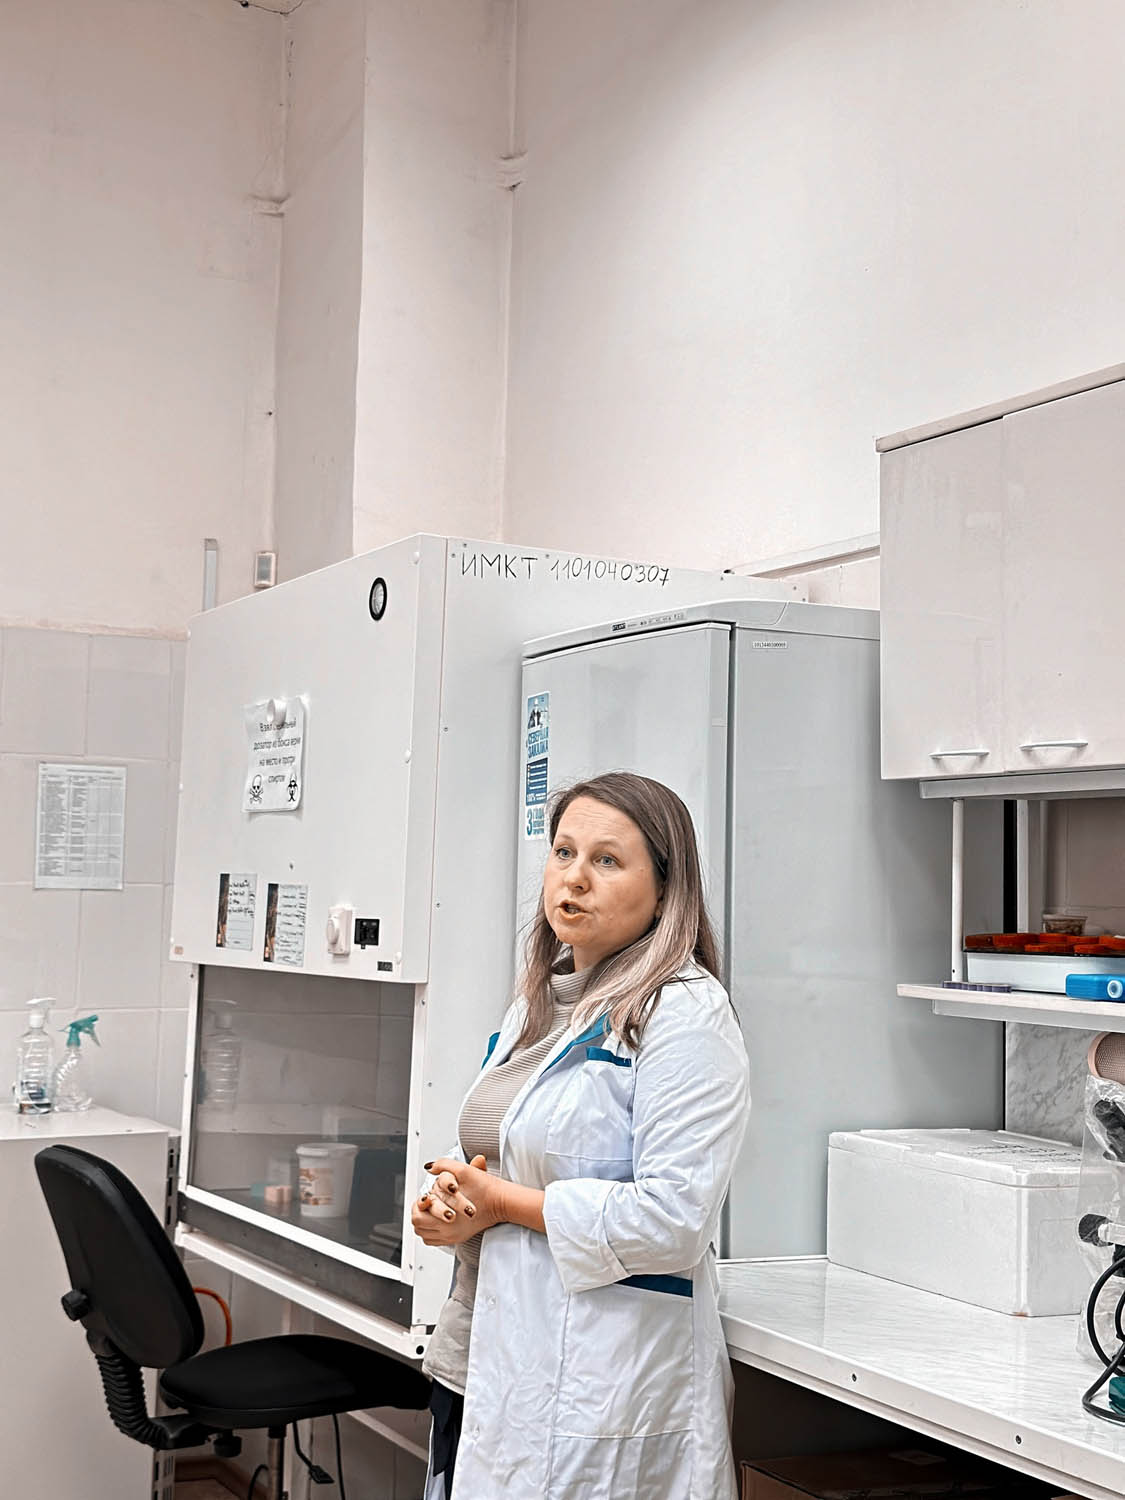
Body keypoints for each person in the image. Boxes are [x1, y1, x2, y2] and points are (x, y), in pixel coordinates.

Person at [411, 771, 751, 1500]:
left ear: (665, 890)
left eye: (607, 860)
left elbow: (673, 1221)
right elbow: (507, 1160)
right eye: (563, 852)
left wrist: (502, 1204)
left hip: (599, 1384)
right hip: (480, 1357)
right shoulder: (540, 1005)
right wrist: (457, 1210)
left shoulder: (686, 1015)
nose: (574, 878)